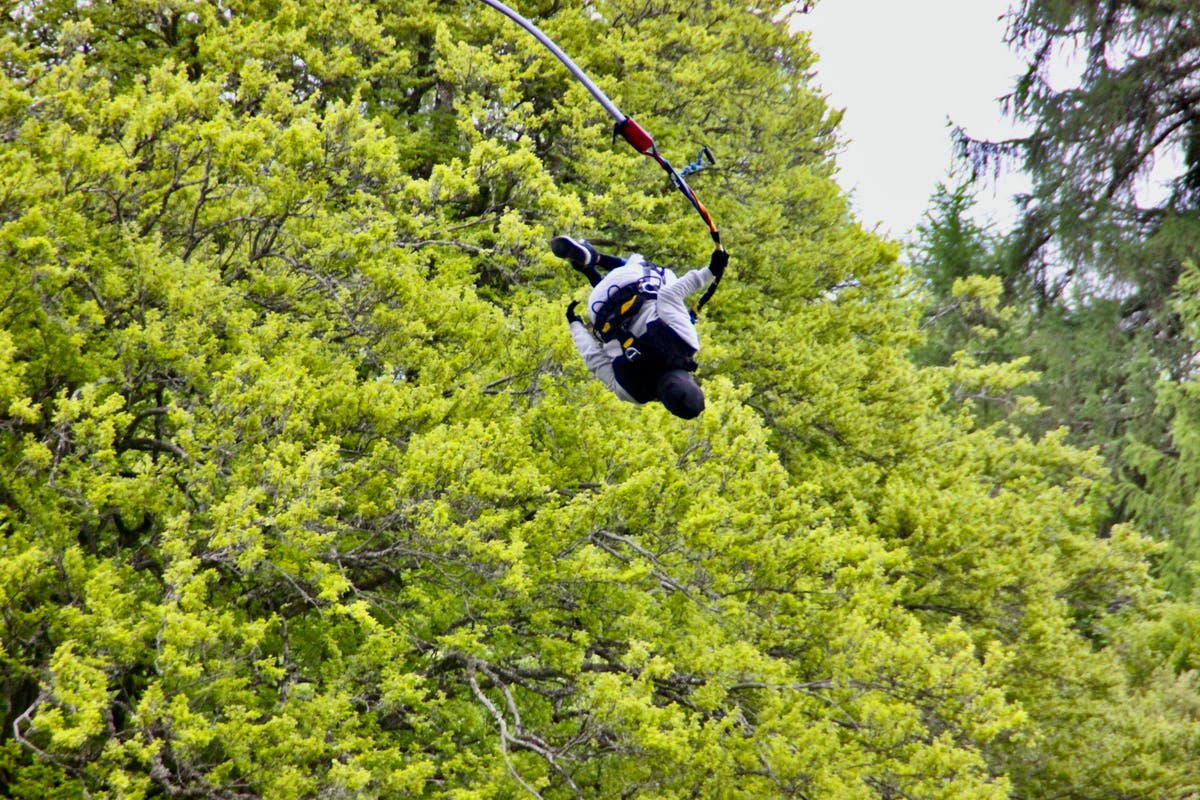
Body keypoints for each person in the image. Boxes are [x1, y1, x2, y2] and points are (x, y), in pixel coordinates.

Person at [553, 236, 728, 419]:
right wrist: (575, 324)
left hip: (629, 279)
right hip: (597, 307)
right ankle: (589, 270)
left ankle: (596, 258)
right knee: (617, 328)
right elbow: (594, 359)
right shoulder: (634, 394)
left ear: (693, 383)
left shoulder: (686, 344)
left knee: (660, 274)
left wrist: (709, 272)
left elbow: (669, 295)